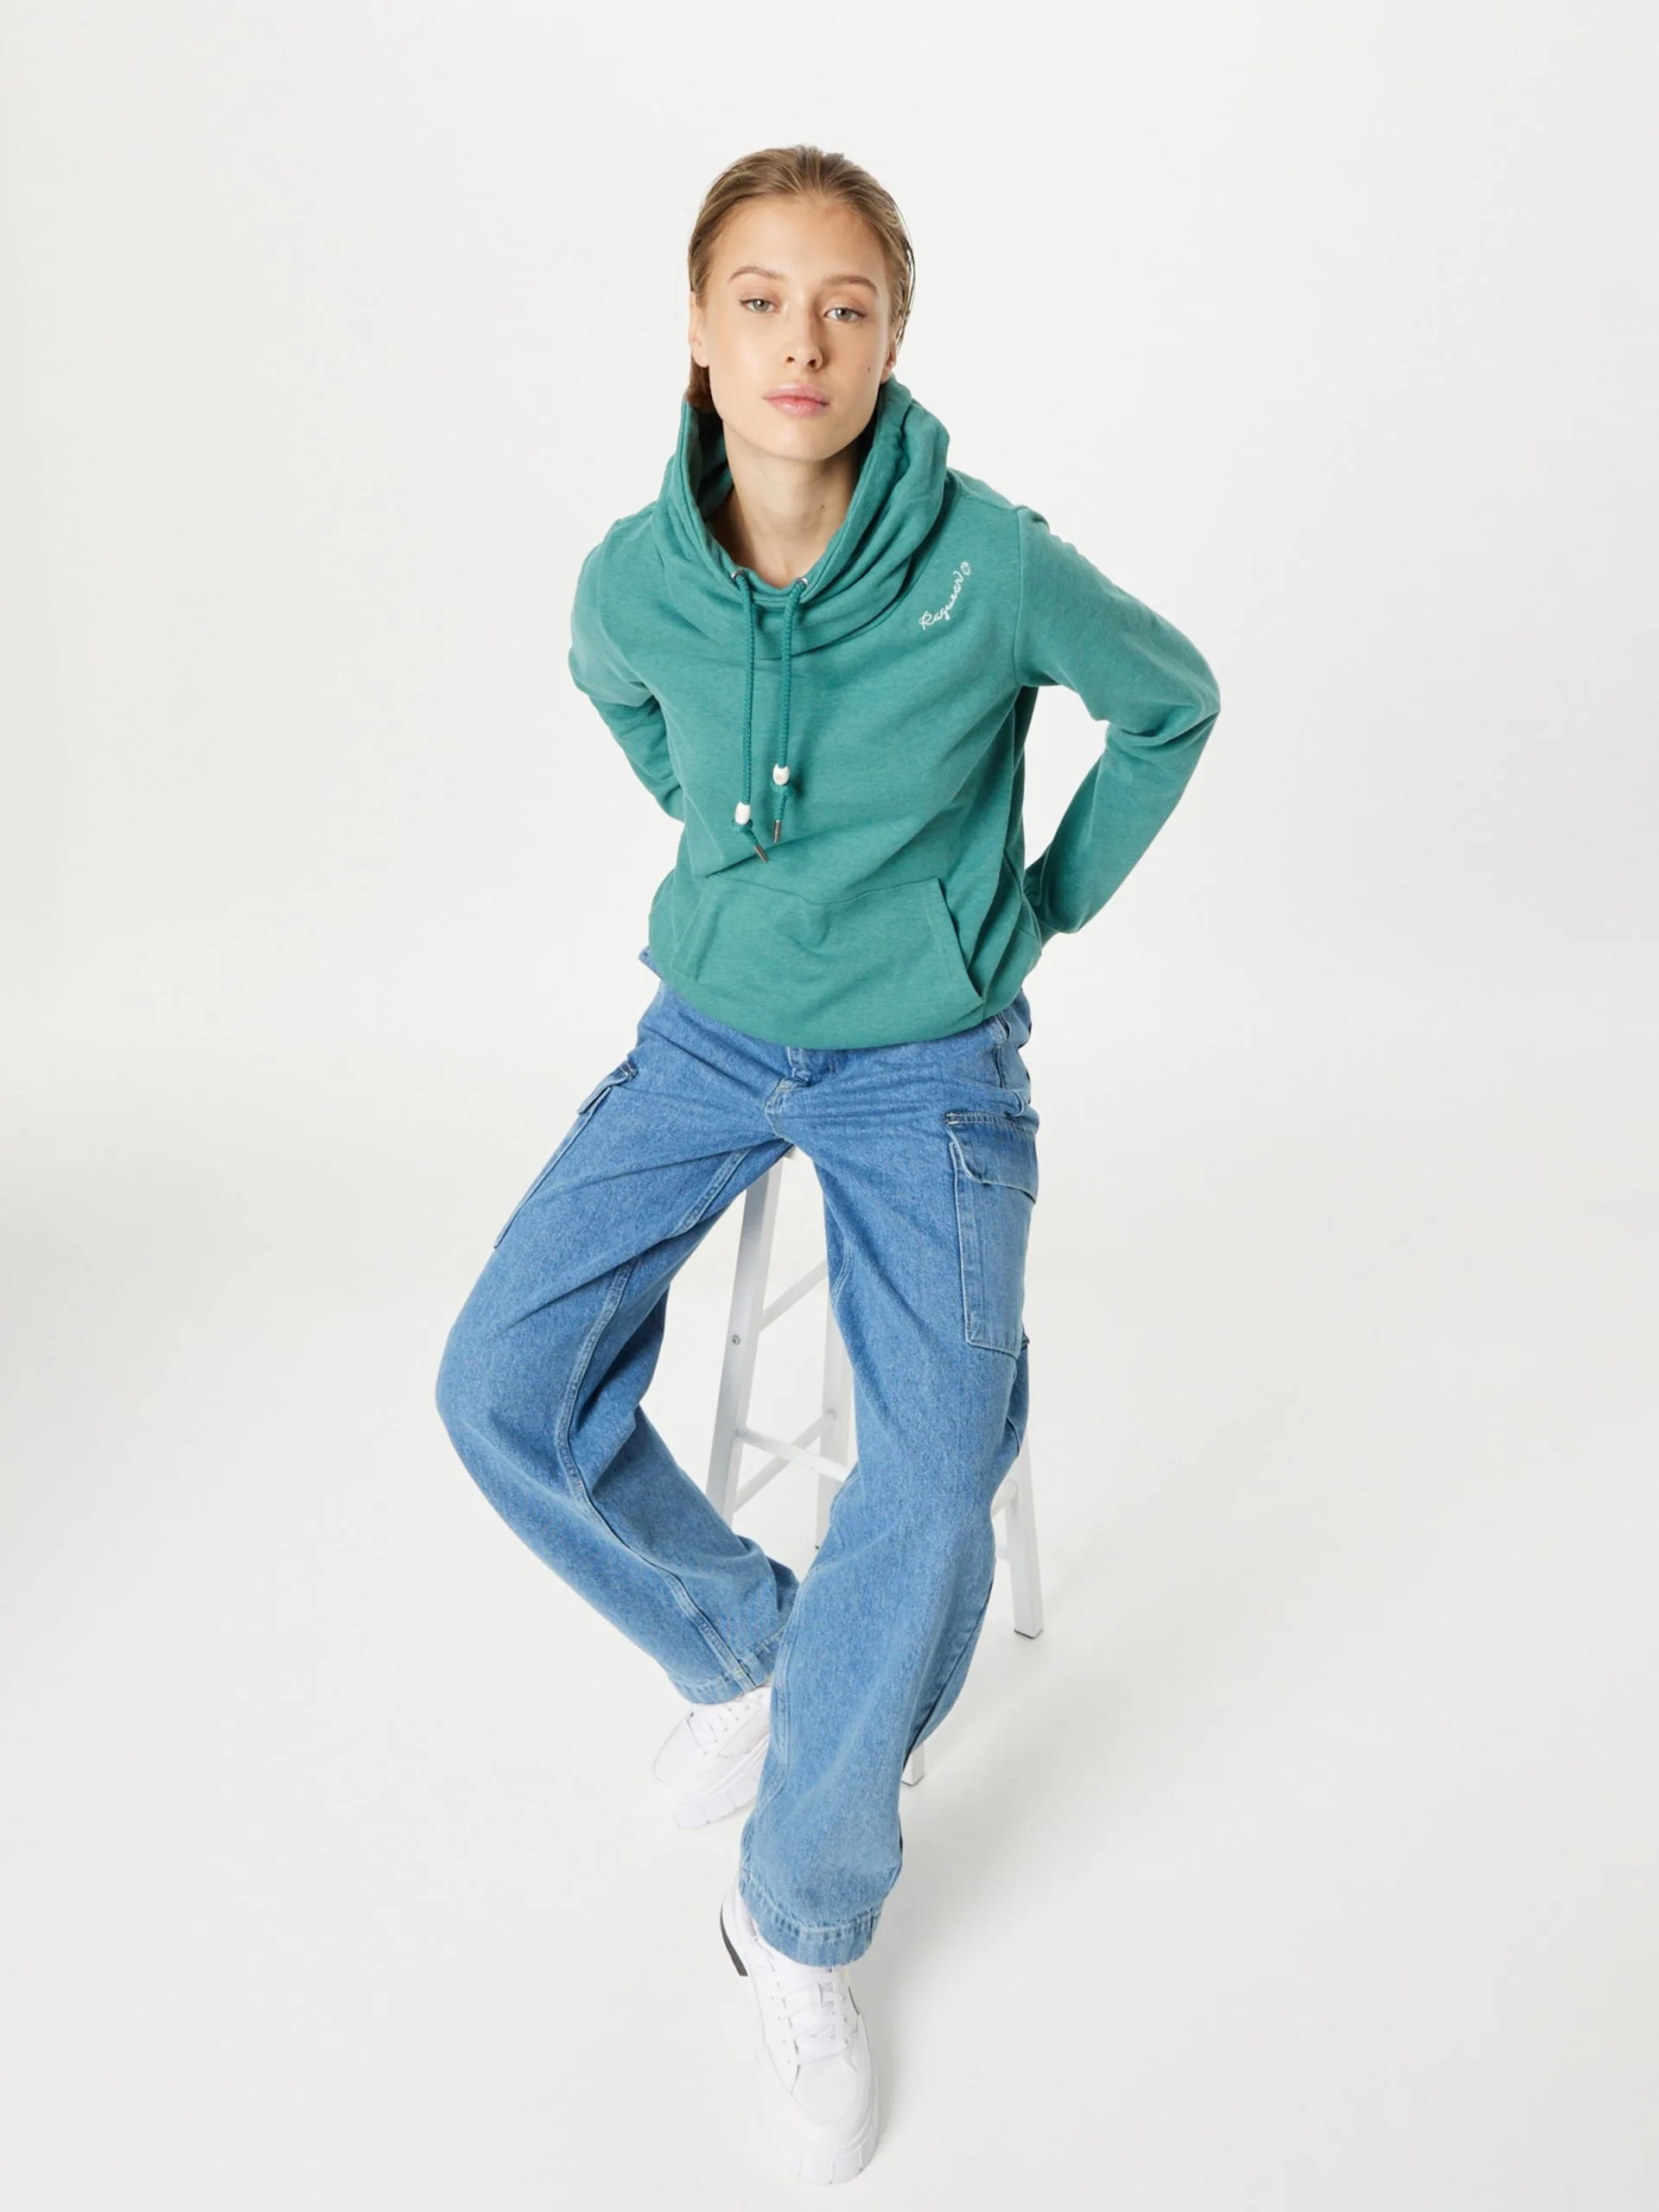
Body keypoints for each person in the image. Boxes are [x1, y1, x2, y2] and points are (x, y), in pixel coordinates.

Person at [435, 143, 1221, 2186]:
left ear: (891, 342)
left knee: (935, 1466)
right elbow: (630, 703)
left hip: (927, 1065)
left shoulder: (991, 561)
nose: (804, 337)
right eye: (763, 298)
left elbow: (1171, 702)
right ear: (699, 335)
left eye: (847, 303)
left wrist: (1034, 906)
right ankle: (744, 1643)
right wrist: (725, 837)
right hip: (706, 1030)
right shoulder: (632, 574)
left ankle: (799, 1912)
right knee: (497, 1377)